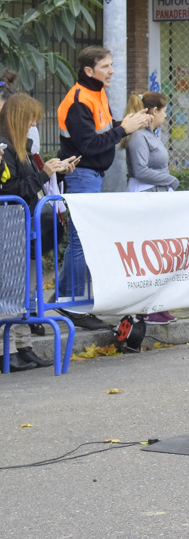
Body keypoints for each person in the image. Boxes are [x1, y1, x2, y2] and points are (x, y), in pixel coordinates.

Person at [54, 47, 151, 330]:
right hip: (81, 175)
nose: (112, 71)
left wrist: (128, 124)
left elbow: (102, 132)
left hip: (90, 176)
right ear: (88, 71)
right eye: (106, 66)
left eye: (111, 65)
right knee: (81, 241)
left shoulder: (95, 94)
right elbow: (90, 145)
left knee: (81, 241)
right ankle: (73, 304)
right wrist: (124, 129)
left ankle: (63, 297)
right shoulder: (78, 100)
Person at [0, 93, 77, 370]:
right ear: (18, 118)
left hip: (25, 226)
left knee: (25, 289)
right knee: (9, 290)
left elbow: (31, 183)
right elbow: (11, 189)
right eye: (31, 118)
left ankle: (24, 346)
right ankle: (6, 350)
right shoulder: (5, 148)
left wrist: (56, 171)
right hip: (10, 228)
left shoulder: (23, 148)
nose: (34, 123)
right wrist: (44, 172)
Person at [121, 91, 180, 325]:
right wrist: (169, 180)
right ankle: (145, 308)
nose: (166, 116)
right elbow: (140, 170)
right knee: (148, 254)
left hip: (156, 196)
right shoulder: (138, 138)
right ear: (154, 111)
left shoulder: (152, 135)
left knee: (159, 253)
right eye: (164, 111)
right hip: (144, 196)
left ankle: (157, 303)